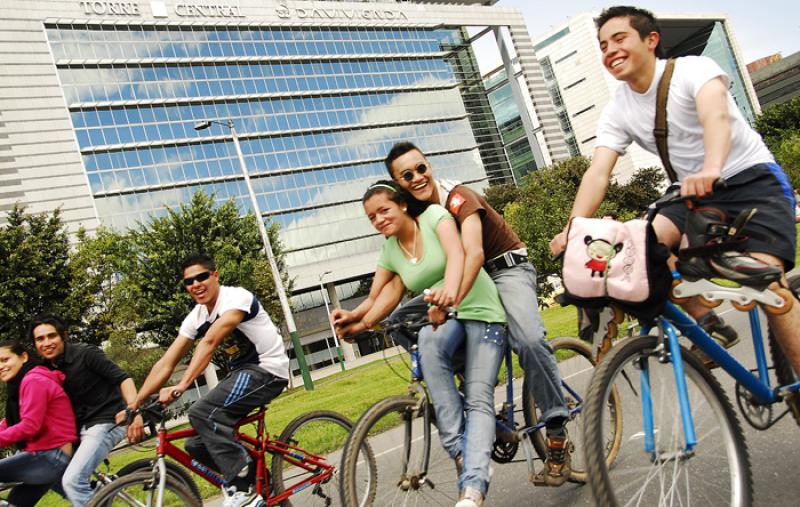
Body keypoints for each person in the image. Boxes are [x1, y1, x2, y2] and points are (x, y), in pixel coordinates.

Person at [548, 6, 800, 376]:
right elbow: (599, 172)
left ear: (651, 41)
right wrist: (574, 227)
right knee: (637, 251)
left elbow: (714, 117)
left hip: (750, 181)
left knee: (769, 288)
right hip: (692, 195)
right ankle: (709, 325)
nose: (610, 51)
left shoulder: (693, 71)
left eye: (619, 39)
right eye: (603, 45)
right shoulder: (618, 108)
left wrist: (712, 167)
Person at [334, 142, 572, 486]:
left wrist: (450, 302)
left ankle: (556, 427)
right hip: (459, 283)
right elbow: (395, 285)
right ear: (398, 186)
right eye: (407, 175)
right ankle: (473, 391)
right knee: (401, 323)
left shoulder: (457, 197)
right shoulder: (414, 219)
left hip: (503, 269)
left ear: (430, 166)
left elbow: (473, 254)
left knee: (529, 339)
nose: (418, 177)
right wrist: (359, 320)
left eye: (421, 168)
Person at [360, 180, 506, 507]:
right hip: (444, 318)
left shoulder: (435, 218)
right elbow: (377, 296)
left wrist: (449, 296)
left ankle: (473, 487)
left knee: (479, 397)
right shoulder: (391, 249)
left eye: (384, 210)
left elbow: (459, 255)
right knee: (420, 335)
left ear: (402, 205)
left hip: (478, 309)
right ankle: (461, 451)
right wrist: (353, 320)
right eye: (372, 217)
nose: (379, 219)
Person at [129, 253, 289, 507]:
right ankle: (260, 481)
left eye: (202, 277)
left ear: (215, 275)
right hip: (241, 374)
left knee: (203, 412)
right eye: (189, 282)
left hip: (267, 370)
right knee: (195, 444)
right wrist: (134, 405)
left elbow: (211, 341)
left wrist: (183, 385)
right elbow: (166, 363)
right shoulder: (196, 317)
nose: (196, 284)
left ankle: (243, 487)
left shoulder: (236, 298)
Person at [29, 314, 144, 507]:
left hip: (106, 422)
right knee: (48, 472)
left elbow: (123, 379)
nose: (47, 343)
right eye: (40, 339)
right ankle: (96, 498)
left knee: (72, 480)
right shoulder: (42, 370)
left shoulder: (86, 354)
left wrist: (134, 412)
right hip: (75, 433)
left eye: (52, 336)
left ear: (63, 336)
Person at [0, 340, 76, 507]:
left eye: (5, 360)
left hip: (49, 456)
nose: (1, 366)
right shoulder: (22, 383)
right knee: (16, 503)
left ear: (24, 357)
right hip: (46, 455)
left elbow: (29, 426)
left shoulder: (33, 380)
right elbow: (12, 421)